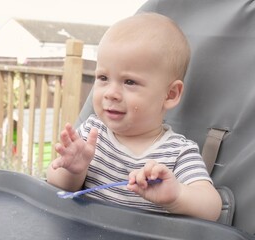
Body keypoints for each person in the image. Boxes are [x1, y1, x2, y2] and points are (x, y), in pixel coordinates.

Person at [46, 12, 222, 221]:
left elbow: (212, 207)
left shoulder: (178, 153)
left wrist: (177, 196)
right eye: (103, 77)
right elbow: (55, 186)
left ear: (170, 94)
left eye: (129, 82)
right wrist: (74, 171)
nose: (110, 92)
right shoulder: (91, 134)